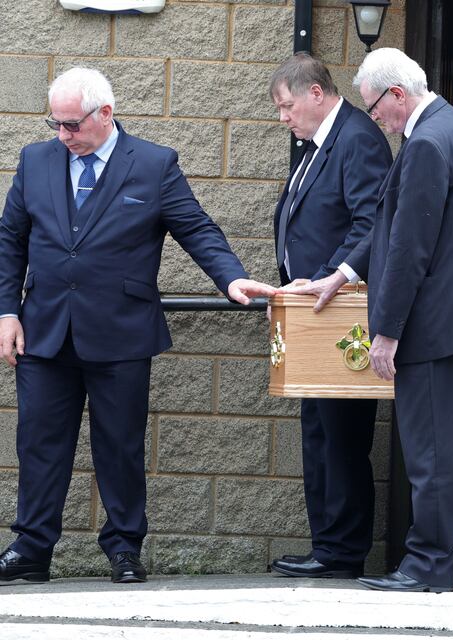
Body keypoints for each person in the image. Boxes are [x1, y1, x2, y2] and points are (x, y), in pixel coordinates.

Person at [0, 68, 275, 584]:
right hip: (43, 330)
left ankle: (124, 548)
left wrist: (232, 280)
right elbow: (10, 240)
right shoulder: (36, 160)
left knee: (120, 444)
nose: (62, 135)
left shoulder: (152, 164)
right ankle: (32, 549)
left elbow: (195, 227)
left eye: (72, 125)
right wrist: (6, 312)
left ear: (105, 113)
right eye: (55, 124)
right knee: (38, 442)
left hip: (120, 332)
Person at [289, 48, 453, 592]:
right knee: (446, 443)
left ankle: (428, 563)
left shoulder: (425, 143)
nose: (376, 121)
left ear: (397, 95)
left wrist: (386, 331)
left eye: (375, 109)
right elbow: (395, 221)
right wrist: (343, 273)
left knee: (430, 452)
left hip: (432, 322)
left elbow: (409, 248)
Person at [266, 53, 392, 580]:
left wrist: (329, 274)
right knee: (320, 431)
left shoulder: (357, 138)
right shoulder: (319, 143)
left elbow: (369, 222)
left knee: (339, 435)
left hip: (338, 311)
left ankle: (340, 551)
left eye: (287, 105)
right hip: (313, 312)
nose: (283, 117)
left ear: (316, 93)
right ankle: (329, 545)